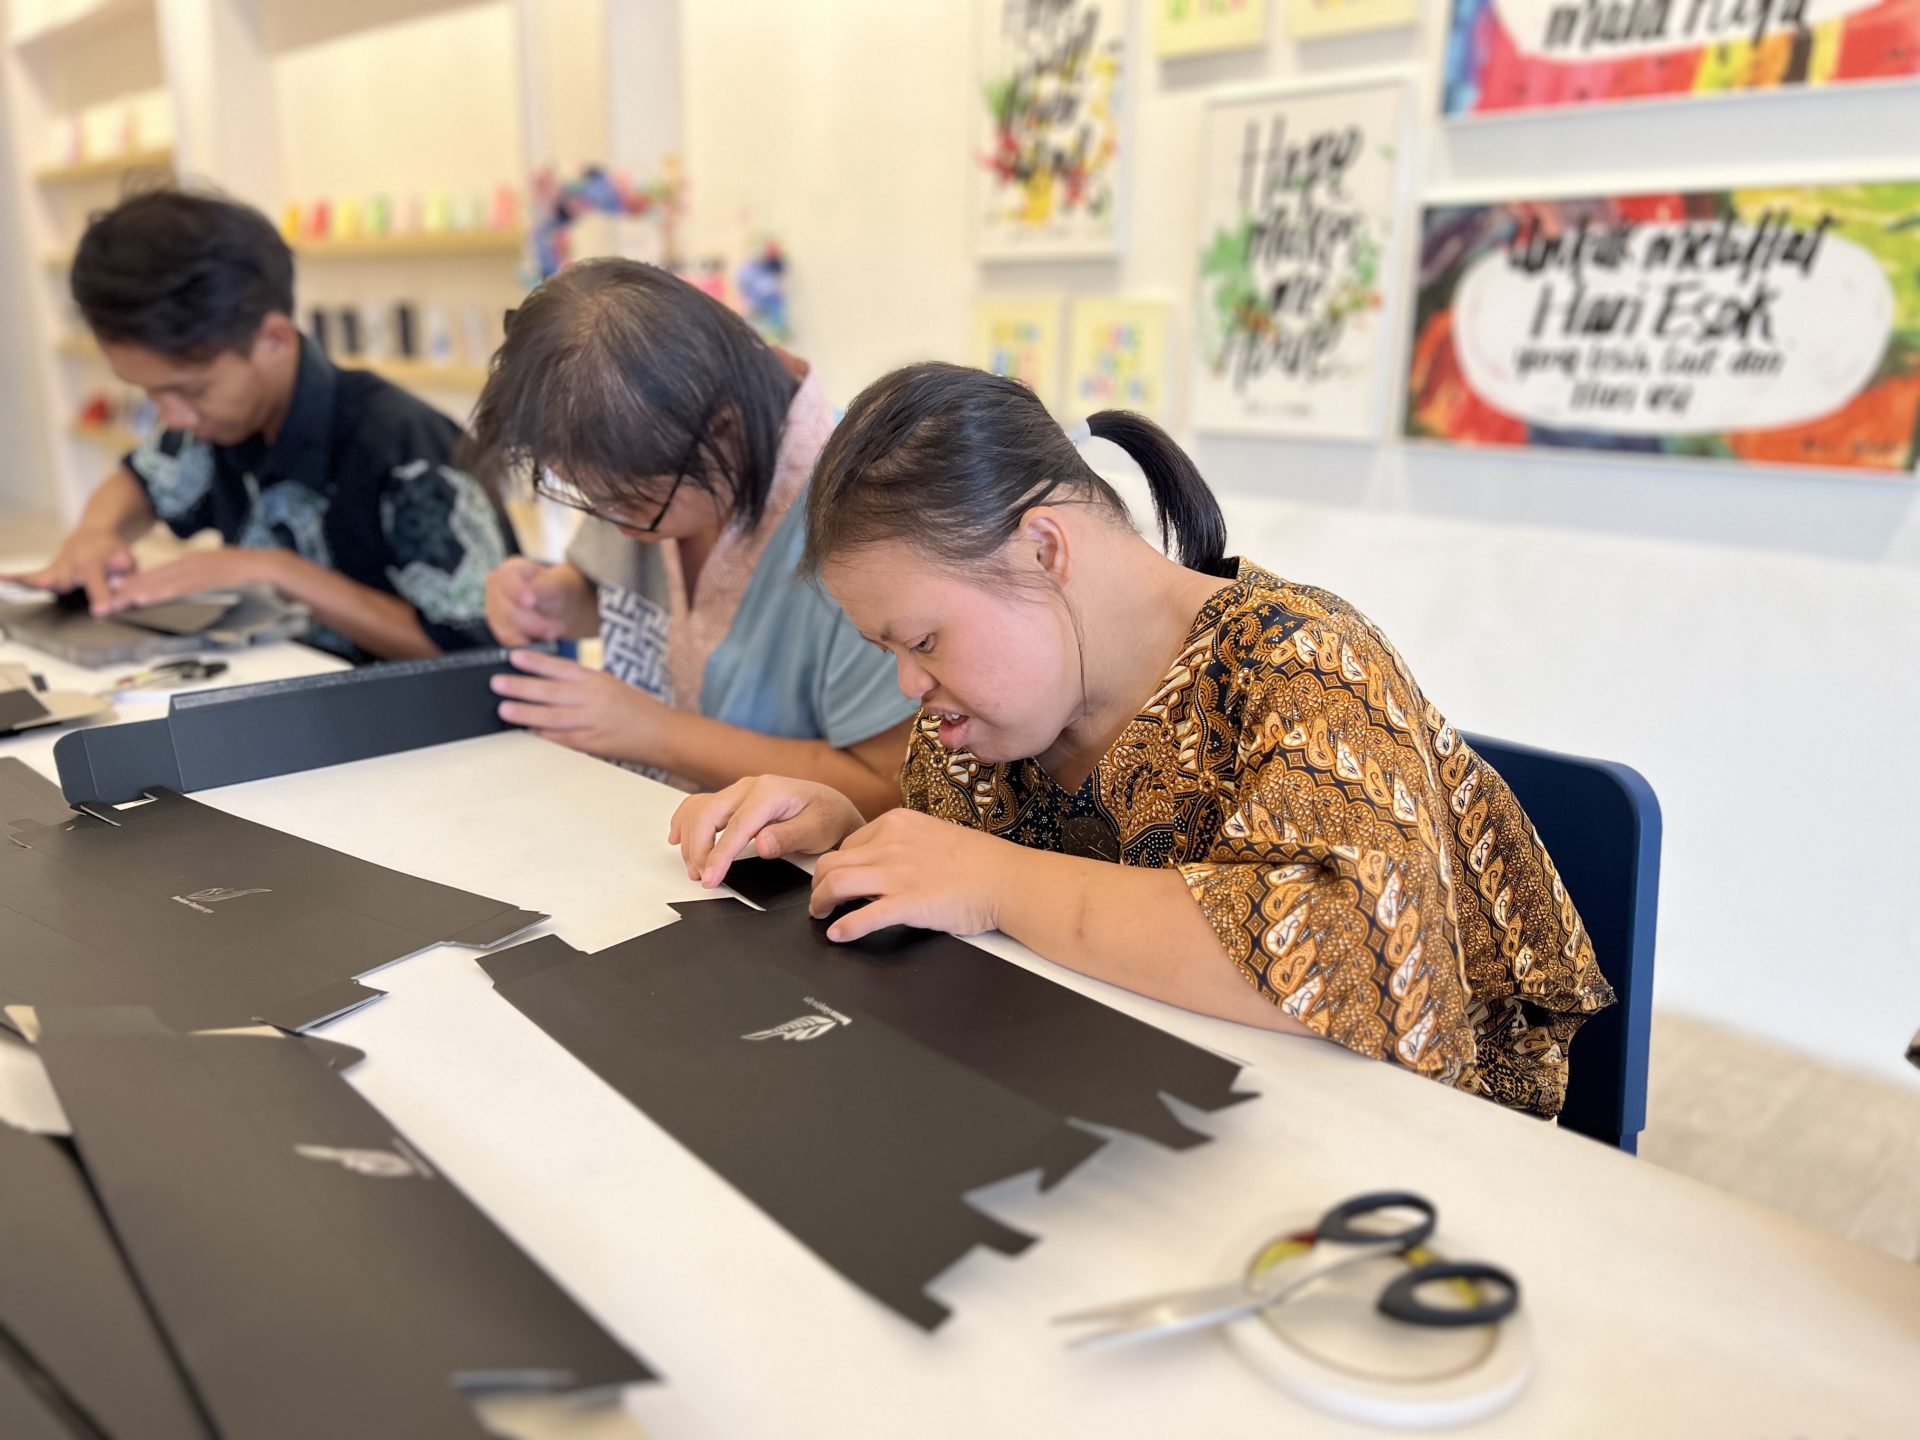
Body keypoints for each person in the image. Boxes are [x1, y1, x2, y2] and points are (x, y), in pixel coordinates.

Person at [669, 363, 1616, 1118]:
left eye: (922, 640)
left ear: (1043, 549)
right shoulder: (985, 724)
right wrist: (847, 835)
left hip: (1408, 1157)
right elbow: (951, 869)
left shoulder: (1301, 663)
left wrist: (997, 881)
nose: (908, 685)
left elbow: (1352, 967)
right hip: (1123, 1098)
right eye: (889, 651)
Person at [468, 259, 915, 819]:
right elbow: (610, 593)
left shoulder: (865, 516)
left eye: (632, 503)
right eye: (589, 498)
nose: (617, 523)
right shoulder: (648, 452)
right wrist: (551, 598)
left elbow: (887, 786)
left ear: (723, 430)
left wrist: (658, 734)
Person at [7, 188, 512, 663]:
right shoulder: (218, 424)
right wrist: (96, 534)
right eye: (150, 393)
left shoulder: (406, 446)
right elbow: (141, 480)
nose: (173, 417)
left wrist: (274, 570)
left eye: (192, 390)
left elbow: (476, 649)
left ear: (273, 339)